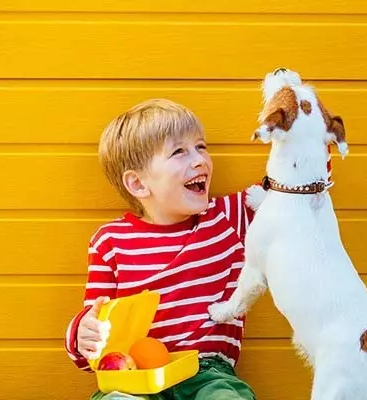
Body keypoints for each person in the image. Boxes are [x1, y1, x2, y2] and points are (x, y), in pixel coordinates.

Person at [64, 99, 257, 400]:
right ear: (138, 184)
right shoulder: (109, 242)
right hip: (135, 376)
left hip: (207, 374)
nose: (200, 160)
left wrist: (306, 131)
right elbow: (96, 322)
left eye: (201, 146)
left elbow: (294, 190)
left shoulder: (226, 217)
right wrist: (81, 334)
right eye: (179, 151)